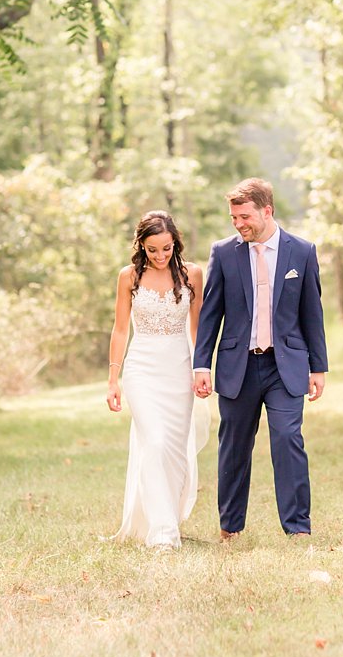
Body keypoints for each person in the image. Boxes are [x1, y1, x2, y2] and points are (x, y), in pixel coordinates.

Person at [193, 178, 328, 540]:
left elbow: (312, 313)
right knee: (234, 446)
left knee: (288, 439)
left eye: (245, 216)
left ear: (267, 211)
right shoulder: (224, 253)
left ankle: (298, 528)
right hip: (239, 366)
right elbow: (211, 313)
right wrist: (201, 363)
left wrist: (319, 367)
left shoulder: (301, 251)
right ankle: (230, 528)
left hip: (285, 366)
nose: (239, 224)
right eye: (234, 218)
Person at [106, 210, 207, 549]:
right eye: (153, 250)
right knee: (156, 441)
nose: (160, 256)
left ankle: (167, 519)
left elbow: (198, 331)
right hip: (142, 370)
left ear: (175, 243)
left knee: (175, 451)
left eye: (166, 248)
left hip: (179, 369)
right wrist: (113, 380)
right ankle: (162, 535)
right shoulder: (129, 277)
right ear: (142, 247)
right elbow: (121, 329)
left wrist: (202, 369)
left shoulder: (192, 274)